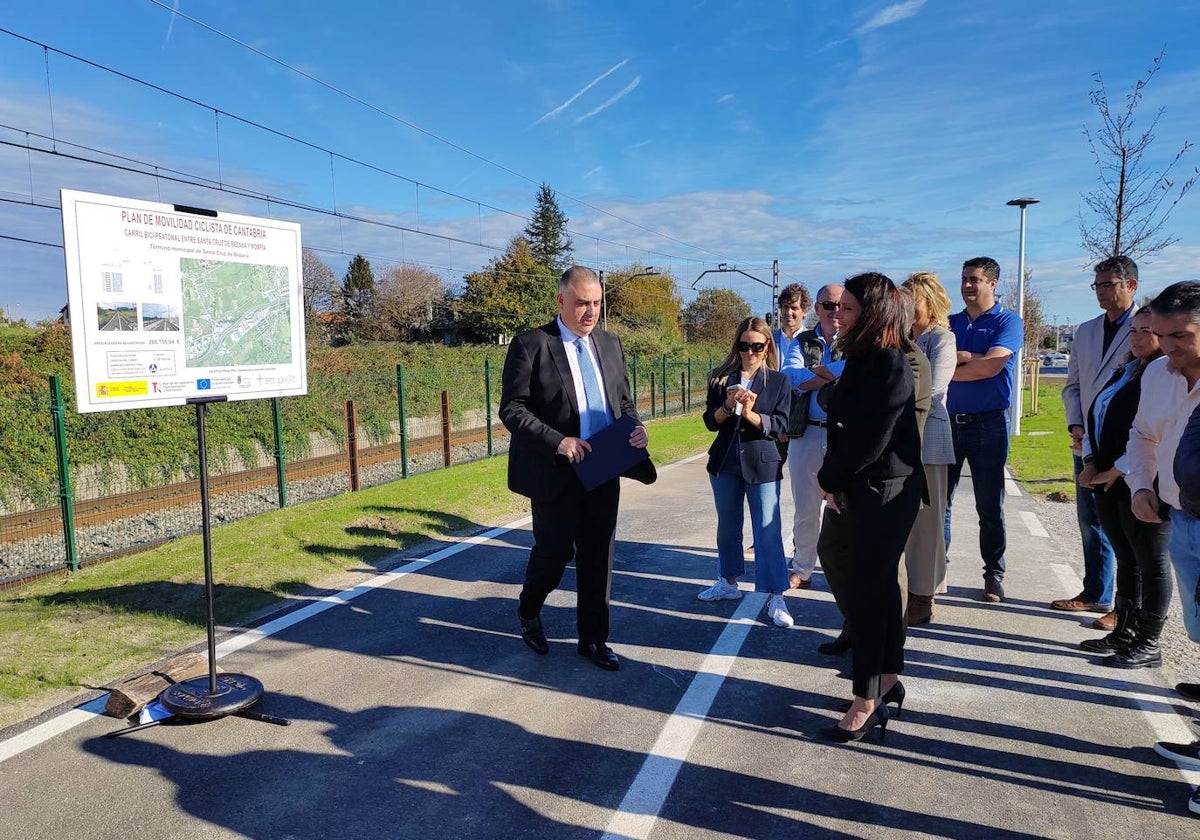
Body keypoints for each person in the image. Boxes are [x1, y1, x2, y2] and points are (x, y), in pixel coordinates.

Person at [500, 266, 656, 672]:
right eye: (583, 303)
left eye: (597, 303)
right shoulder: (532, 344)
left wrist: (636, 429)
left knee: (598, 557)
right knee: (553, 554)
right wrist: (559, 441)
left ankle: (593, 640)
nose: (591, 312)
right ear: (561, 302)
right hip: (556, 472)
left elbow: (623, 403)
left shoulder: (610, 343)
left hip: (604, 465)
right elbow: (512, 409)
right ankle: (529, 608)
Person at [818, 273, 923, 742]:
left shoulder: (891, 363)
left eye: (849, 308)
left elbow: (870, 440)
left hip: (887, 492)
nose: (839, 314)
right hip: (865, 489)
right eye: (838, 307)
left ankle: (866, 697)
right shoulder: (861, 357)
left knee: (869, 595)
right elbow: (843, 417)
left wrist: (829, 478)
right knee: (877, 592)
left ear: (874, 313)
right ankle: (886, 679)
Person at [1125, 282, 1200, 811]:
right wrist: (1143, 485)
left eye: (1182, 336)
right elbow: (1142, 435)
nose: (1167, 346)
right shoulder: (1158, 374)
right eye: (1160, 334)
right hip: (1182, 519)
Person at [1076, 309, 1171, 667]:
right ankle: (1125, 630)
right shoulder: (1126, 370)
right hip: (1106, 481)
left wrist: (1117, 470)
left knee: (1152, 562)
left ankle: (1149, 641)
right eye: (1134, 331)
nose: (1137, 338)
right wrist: (1090, 463)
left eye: (1147, 331)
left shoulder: (1162, 376)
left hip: (1143, 482)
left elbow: (1155, 433)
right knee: (1127, 557)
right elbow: (1095, 415)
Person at [1053, 256, 1139, 631]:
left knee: (1128, 529)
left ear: (1130, 286)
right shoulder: (1086, 331)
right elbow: (1073, 384)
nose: (1102, 292)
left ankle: (1126, 607)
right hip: (1087, 442)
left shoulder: (1145, 327)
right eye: (1097, 285)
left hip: (1127, 446)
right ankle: (1095, 591)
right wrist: (1076, 424)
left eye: (1109, 284)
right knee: (1091, 520)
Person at [698, 316, 794, 628]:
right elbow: (710, 423)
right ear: (737, 345)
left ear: (767, 347)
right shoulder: (720, 378)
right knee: (728, 525)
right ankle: (728, 582)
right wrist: (727, 407)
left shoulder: (779, 382)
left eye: (757, 346)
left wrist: (751, 414)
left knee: (767, 530)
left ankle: (775, 595)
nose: (750, 352)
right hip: (725, 462)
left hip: (762, 463)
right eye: (744, 345)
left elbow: (781, 425)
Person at [945, 257, 1023, 603]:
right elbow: (932, 365)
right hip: (947, 423)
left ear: (993, 283)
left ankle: (993, 573)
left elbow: (991, 367)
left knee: (989, 505)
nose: (966, 285)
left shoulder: (1007, 321)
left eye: (974, 279)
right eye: (963, 279)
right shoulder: (949, 323)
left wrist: (957, 364)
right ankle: (936, 568)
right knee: (939, 501)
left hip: (989, 424)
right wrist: (959, 360)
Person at [902, 272, 957, 624]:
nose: (907, 307)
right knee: (901, 523)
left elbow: (935, 393)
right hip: (899, 439)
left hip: (930, 439)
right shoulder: (902, 338)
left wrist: (891, 403)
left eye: (913, 300)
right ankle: (904, 591)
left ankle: (924, 595)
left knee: (927, 521)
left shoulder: (942, 339)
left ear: (930, 302)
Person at [780, 284, 845, 590]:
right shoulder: (803, 341)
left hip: (843, 435)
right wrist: (835, 372)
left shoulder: (856, 340)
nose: (835, 311)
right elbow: (791, 378)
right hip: (806, 432)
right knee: (806, 509)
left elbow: (856, 372)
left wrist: (817, 373)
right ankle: (803, 568)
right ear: (816, 308)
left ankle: (846, 569)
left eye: (841, 305)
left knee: (845, 507)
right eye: (828, 305)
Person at [772, 282, 812, 463]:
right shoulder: (768, 340)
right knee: (771, 478)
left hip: (805, 420)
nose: (789, 312)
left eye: (794, 307)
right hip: (773, 420)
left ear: (804, 311)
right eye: (785, 307)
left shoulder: (813, 342)